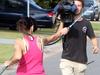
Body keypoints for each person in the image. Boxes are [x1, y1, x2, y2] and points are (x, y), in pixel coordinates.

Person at [4, 17, 69, 75]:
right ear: (32, 27)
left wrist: (9, 62)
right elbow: (56, 36)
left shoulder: (19, 42)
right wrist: (62, 22)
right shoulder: (40, 40)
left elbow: (17, 57)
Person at [57, 0, 99, 75]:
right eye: (75, 5)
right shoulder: (66, 20)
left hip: (81, 61)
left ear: (82, 8)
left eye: (79, 6)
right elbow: (58, 35)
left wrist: (95, 46)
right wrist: (62, 21)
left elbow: (93, 37)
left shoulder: (86, 23)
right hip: (66, 59)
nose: (76, 7)